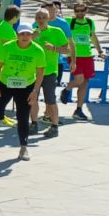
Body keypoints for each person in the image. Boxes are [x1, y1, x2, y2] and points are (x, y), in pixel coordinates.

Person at [0, 25, 45, 161]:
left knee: (23, 116)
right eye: (22, 34)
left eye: (28, 34)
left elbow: (40, 72)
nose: (25, 37)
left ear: (32, 35)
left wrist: (35, 91)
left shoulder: (38, 51)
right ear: (17, 35)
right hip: (5, 84)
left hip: (26, 85)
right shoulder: (7, 47)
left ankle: (23, 147)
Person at [32, 8, 70, 138]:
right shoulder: (32, 33)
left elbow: (67, 50)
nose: (41, 20)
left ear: (48, 19)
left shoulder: (57, 31)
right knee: (32, 99)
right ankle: (33, 123)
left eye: (43, 17)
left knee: (50, 100)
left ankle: (54, 126)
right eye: (38, 18)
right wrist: (31, 38)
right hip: (33, 72)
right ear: (35, 19)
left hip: (49, 71)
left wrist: (54, 48)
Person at [68, 3, 101, 122]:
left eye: (82, 10)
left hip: (87, 55)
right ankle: (66, 89)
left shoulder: (90, 22)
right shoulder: (69, 22)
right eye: (77, 11)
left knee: (85, 83)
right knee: (79, 80)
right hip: (74, 56)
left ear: (86, 10)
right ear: (74, 11)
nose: (80, 13)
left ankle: (79, 109)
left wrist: (100, 51)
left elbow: (93, 37)